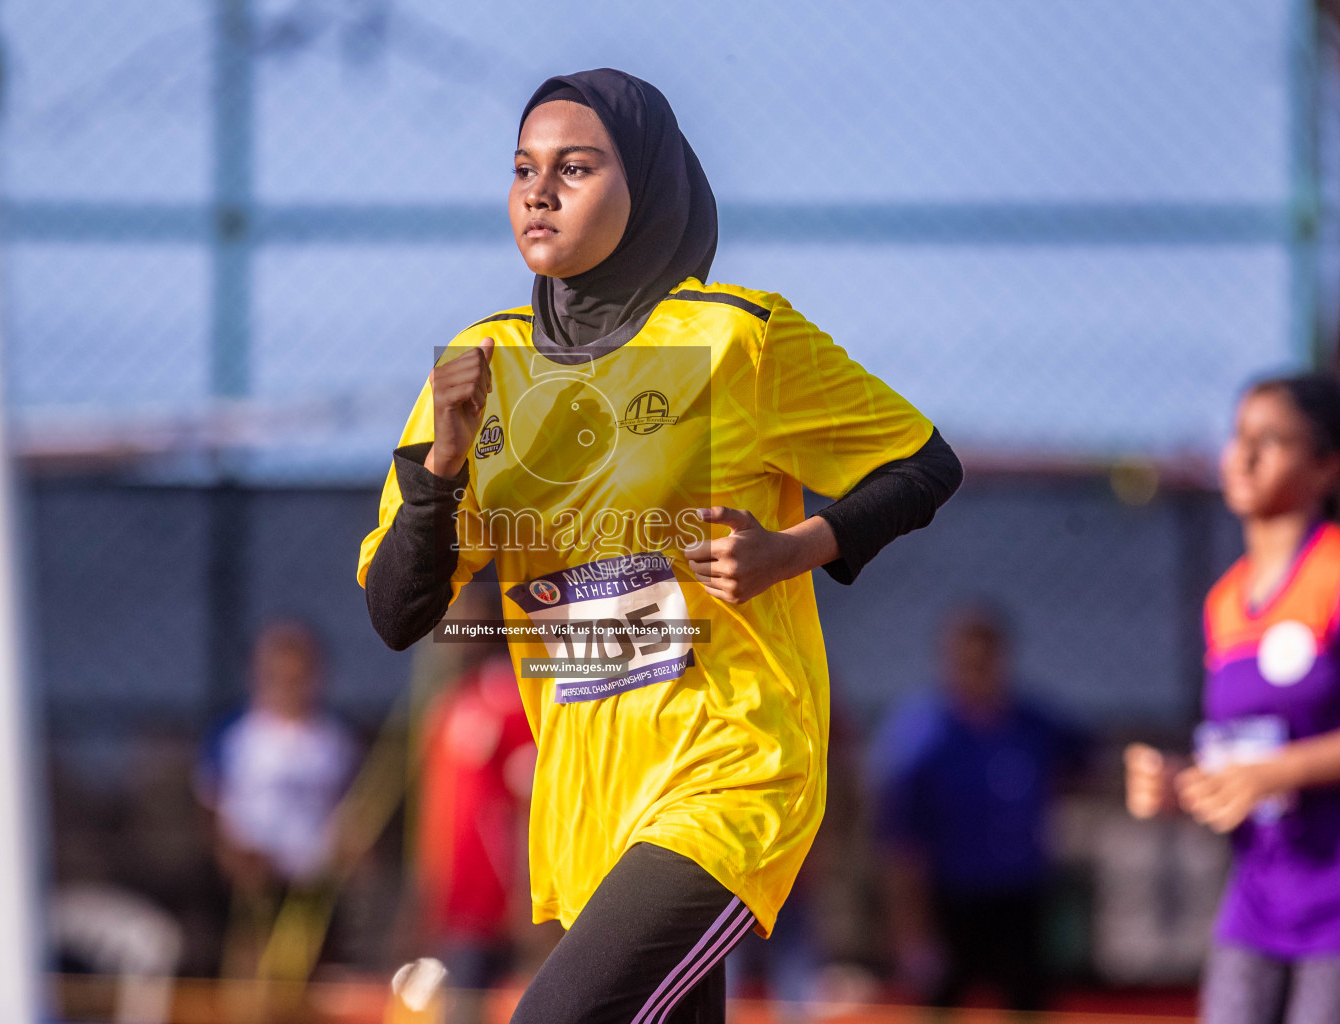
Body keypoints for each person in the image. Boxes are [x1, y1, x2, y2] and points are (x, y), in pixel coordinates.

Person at [357, 68, 962, 1024]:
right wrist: (440, 464)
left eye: (577, 167)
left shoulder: (737, 339)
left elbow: (924, 464)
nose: (539, 192)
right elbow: (398, 613)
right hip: (592, 795)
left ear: (647, 185)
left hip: (730, 767)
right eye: (523, 169)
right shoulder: (480, 365)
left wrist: (793, 548)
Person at [1125, 374, 1340, 1024]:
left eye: (1270, 441)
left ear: (1325, 467)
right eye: (1238, 437)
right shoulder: (1225, 600)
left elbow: (1272, 764)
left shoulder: (1333, 572)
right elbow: (1241, 756)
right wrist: (1180, 787)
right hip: (1255, 903)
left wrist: (1281, 772)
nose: (1242, 457)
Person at [871, 603, 1088, 1012]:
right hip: (950, 899)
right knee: (941, 1003)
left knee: (1029, 1002)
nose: (977, 671)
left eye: (986, 660)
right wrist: (910, 932)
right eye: (966, 661)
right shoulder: (921, 737)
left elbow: (1089, 765)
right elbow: (901, 844)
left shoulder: (1035, 724)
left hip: (1022, 895)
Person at [196, 620, 359, 981]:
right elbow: (210, 804)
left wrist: (341, 855)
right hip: (252, 883)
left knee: (311, 973)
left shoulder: (333, 740)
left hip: (312, 884)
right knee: (251, 969)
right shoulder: (236, 735)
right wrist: (233, 858)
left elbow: (348, 808)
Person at [414, 583, 537, 1024]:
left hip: (500, 906)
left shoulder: (512, 698)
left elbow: (530, 803)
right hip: (455, 904)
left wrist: (527, 897)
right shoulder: (447, 704)